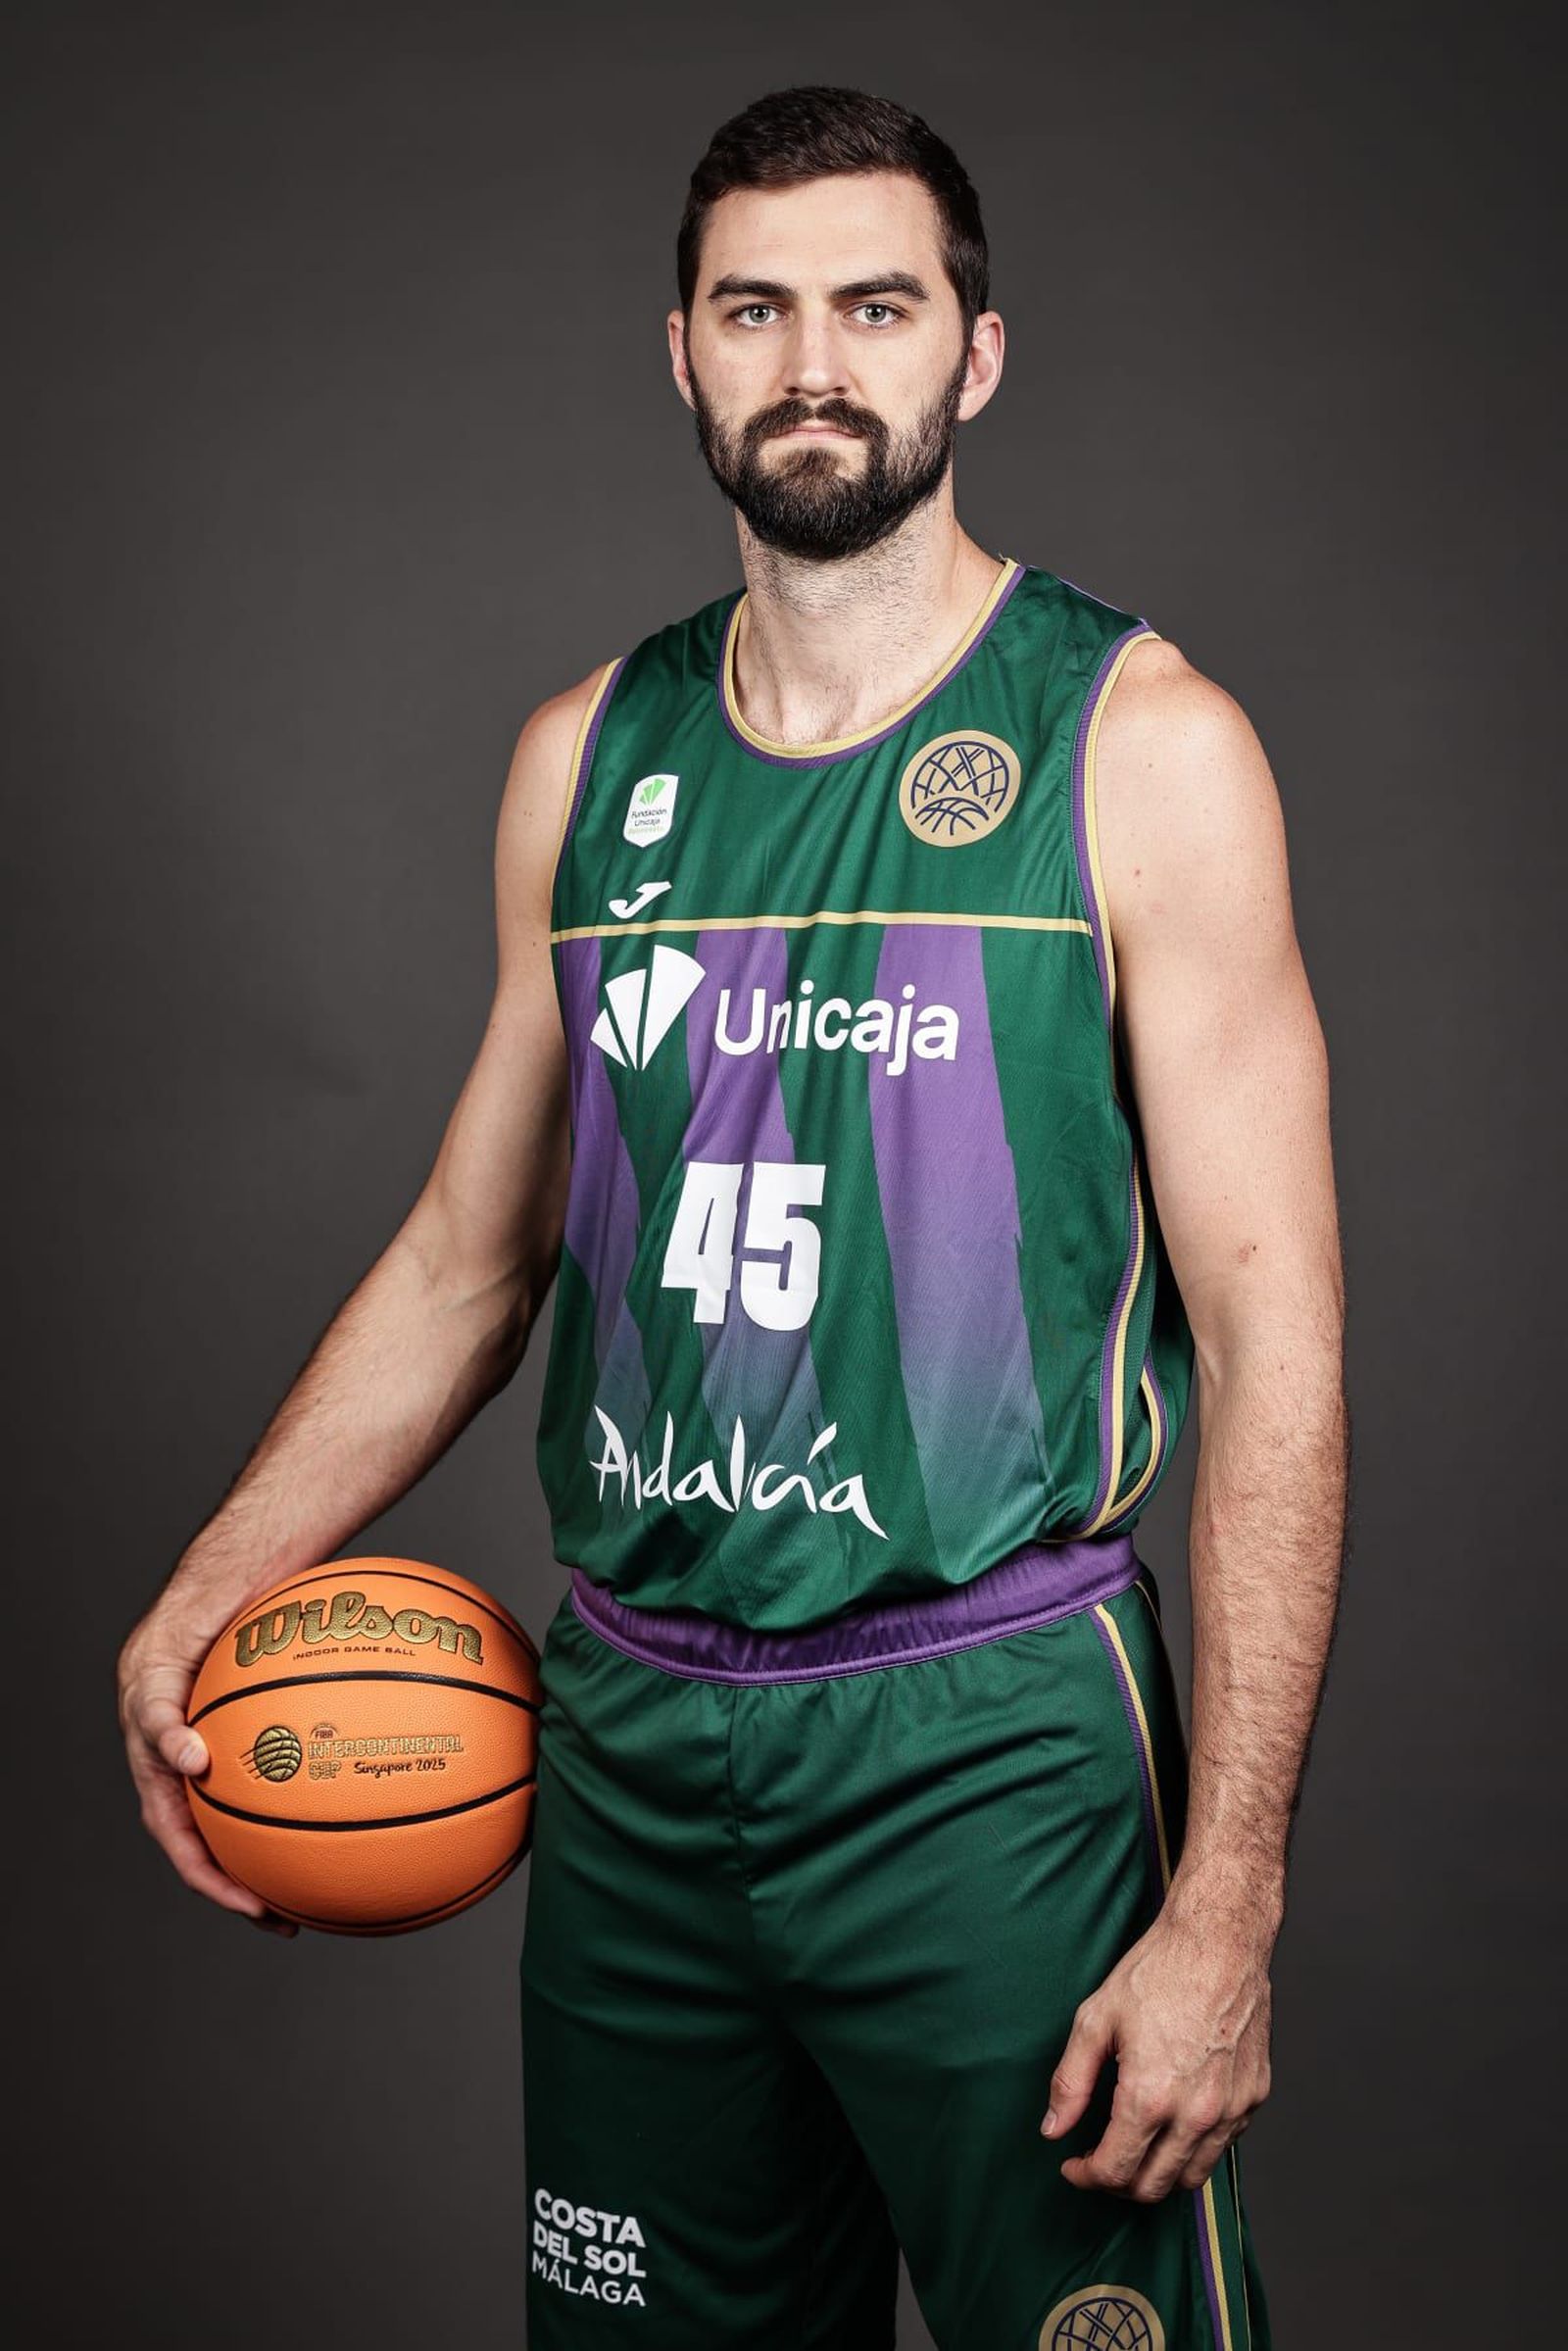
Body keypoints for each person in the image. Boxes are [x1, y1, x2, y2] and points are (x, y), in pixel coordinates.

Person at [118, 82, 1347, 2351]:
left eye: (873, 306)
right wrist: (211, 1580)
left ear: (971, 355)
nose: (811, 361)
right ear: (673, 356)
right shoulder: (586, 760)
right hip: (631, 1754)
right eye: (752, 309)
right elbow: (471, 1261)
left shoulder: (1139, 747)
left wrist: (1230, 1900)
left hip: (981, 1741)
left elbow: (1276, 1350)